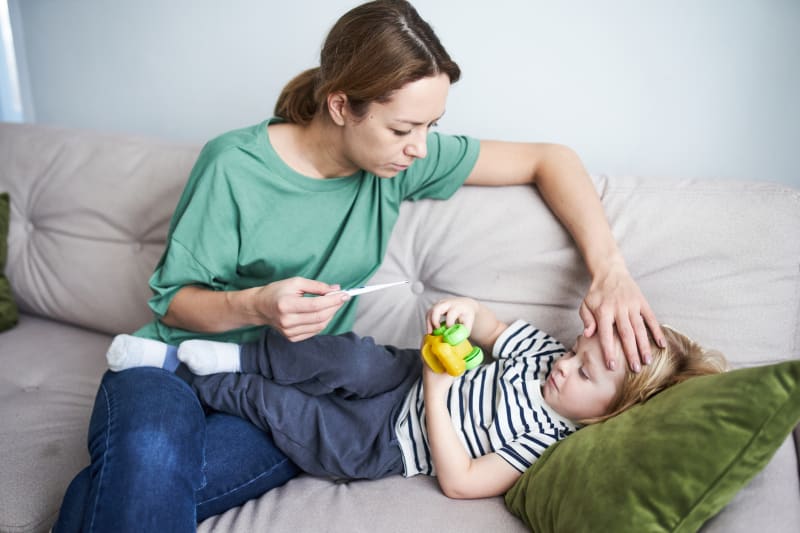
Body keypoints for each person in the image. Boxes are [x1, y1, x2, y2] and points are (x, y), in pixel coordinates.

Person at [54, 0, 666, 530]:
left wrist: (609, 270)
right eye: (404, 127)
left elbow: (550, 159)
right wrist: (256, 305)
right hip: (167, 363)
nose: (421, 147)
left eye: (432, 126)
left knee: (125, 491)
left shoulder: (400, 162)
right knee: (153, 463)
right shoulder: (234, 166)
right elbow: (172, 300)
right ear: (342, 105)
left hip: (290, 390)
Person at [104, 297, 726, 499]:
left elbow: (459, 480)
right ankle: (240, 353)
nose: (565, 366)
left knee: (289, 413)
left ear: (611, 415)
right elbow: (481, 321)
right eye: (576, 353)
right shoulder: (540, 353)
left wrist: (438, 386)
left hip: (386, 443)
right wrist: (460, 312)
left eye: (585, 376)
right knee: (343, 355)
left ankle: (185, 374)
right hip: (400, 377)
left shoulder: (550, 440)